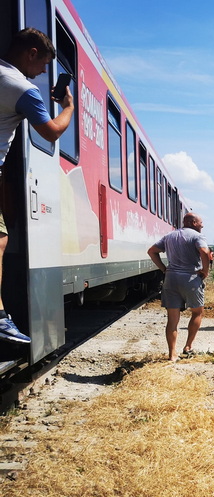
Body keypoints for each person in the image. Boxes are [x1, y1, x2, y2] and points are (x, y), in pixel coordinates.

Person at [0, 28, 74, 344]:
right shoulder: (22, 88)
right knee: (0, 241)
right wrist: (68, 105)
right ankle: (1, 318)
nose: (43, 72)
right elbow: (52, 132)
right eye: (43, 64)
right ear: (31, 53)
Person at [147, 213, 211, 361]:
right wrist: (205, 271)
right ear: (194, 222)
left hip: (171, 279)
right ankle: (188, 346)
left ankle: (172, 354)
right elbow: (204, 252)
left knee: (172, 319)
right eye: (201, 222)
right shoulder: (197, 236)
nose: (202, 225)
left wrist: (164, 269)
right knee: (197, 312)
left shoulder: (169, 236)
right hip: (191, 278)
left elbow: (151, 251)